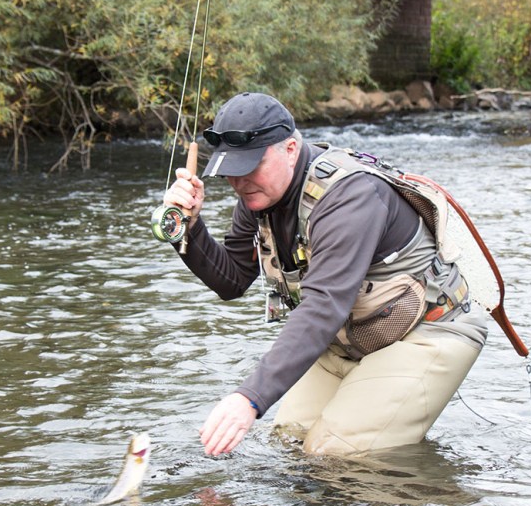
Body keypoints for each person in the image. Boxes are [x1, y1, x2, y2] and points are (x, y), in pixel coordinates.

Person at [163, 91, 487, 456]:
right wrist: (186, 227)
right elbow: (232, 280)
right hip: (349, 340)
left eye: (250, 167)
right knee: (288, 443)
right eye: (231, 172)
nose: (239, 183)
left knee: (335, 455)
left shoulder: (350, 196)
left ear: (289, 148)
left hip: (427, 332)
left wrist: (248, 399)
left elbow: (323, 305)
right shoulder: (257, 197)